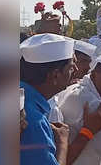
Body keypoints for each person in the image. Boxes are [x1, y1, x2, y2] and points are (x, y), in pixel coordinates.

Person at [20, 33, 75, 165]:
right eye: (71, 67)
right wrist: (62, 142)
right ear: (55, 75)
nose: (75, 70)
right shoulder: (32, 119)